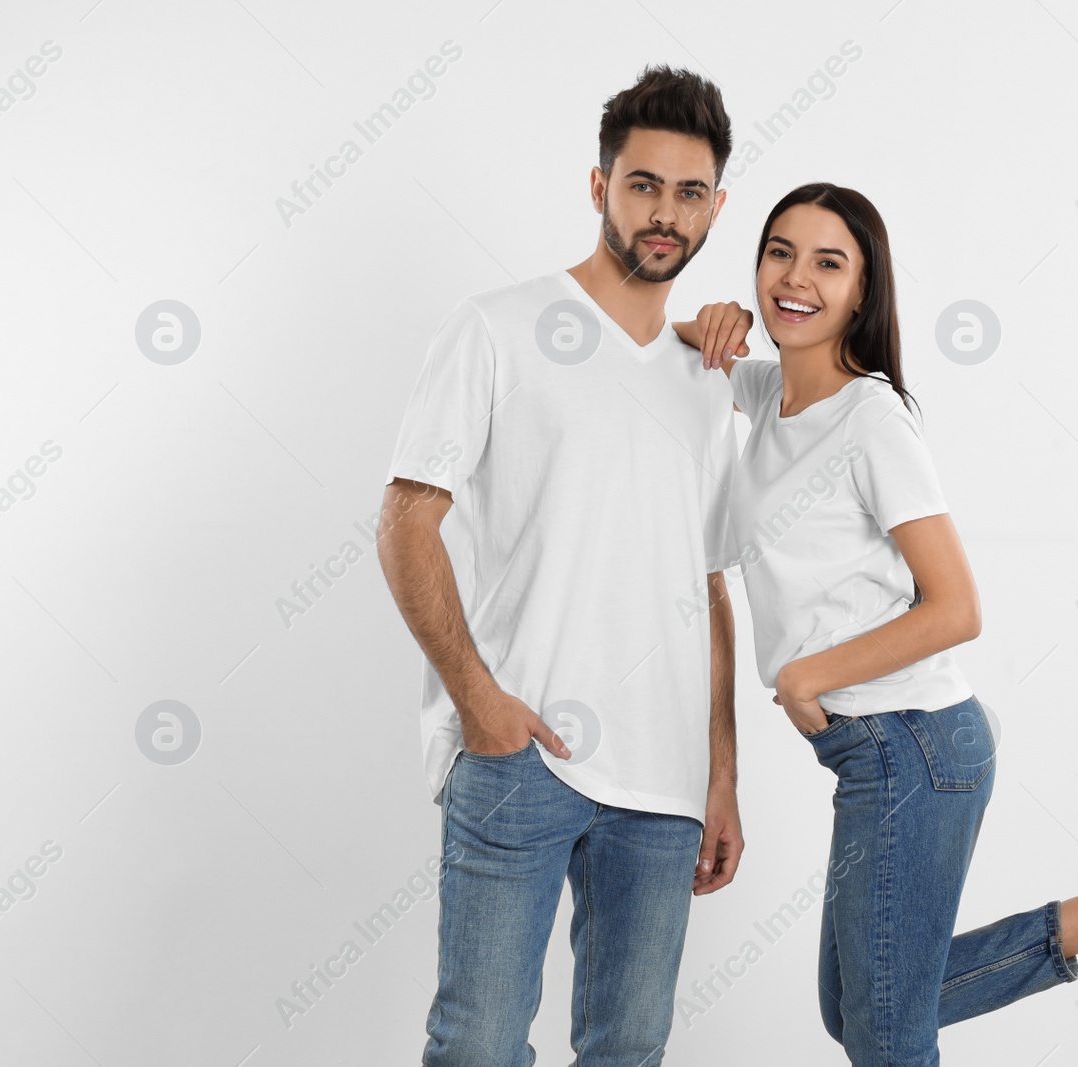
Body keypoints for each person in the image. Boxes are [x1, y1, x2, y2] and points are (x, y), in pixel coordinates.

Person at [673, 182, 1078, 1067]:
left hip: (913, 744)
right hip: (874, 750)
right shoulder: (770, 390)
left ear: (864, 291)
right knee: (856, 1010)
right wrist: (706, 318)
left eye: (831, 262)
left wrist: (806, 673)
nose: (797, 278)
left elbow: (957, 608)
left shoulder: (873, 419)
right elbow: (662, 345)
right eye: (779, 252)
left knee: (887, 1035)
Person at [377, 66, 743, 1066]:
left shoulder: (707, 378)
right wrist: (477, 700)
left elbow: (709, 583)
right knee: (479, 1046)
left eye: (689, 191)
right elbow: (407, 517)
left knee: (627, 1048)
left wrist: (721, 773)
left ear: (715, 204)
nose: (664, 212)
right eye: (642, 185)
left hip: (665, 786)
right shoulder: (495, 327)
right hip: (520, 756)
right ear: (598, 186)